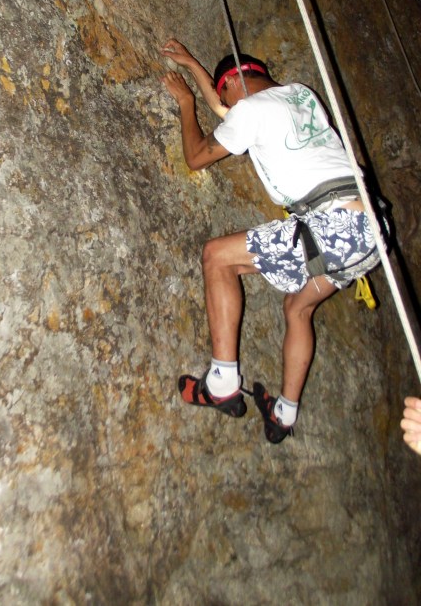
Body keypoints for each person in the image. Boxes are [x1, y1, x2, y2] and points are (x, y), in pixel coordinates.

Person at [160, 39, 381, 443]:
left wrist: (187, 104)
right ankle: (283, 414)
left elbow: (198, 154)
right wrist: (193, 64)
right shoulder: (301, 94)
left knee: (217, 257)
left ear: (232, 84)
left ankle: (222, 383)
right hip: (368, 230)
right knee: (297, 307)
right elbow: (231, 107)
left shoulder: (248, 112)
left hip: (333, 228)